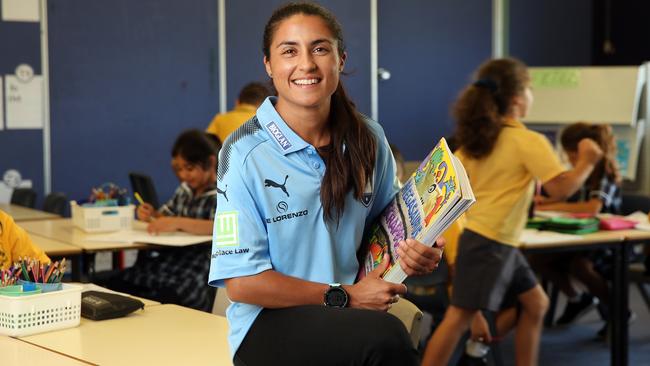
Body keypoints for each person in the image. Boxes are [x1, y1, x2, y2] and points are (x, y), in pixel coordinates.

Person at [208, 3, 444, 365]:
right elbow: (242, 284)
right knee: (384, 339)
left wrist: (419, 248)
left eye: (320, 49)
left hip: (347, 313)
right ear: (269, 66)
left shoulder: (369, 138)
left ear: (340, 59)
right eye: (289, 51)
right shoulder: (242, 153)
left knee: (381, 336)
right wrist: (346, 296)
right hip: (268, 323)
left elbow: (388, 229)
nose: (306, 64)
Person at [422, 58, 604, 366]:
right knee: (458, 319)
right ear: (519, 99)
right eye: (530, 89)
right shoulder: (528, 141)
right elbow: (561, 189)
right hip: (488, 243)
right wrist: (587, 161)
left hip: (491, 241)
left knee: (536, 303)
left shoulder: (477, 142)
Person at [107, 129, 218, 311]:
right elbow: (164, 216)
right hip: (171, 259)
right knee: (121, 280)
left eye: (189, 169)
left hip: (197, 267)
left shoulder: (222, 192)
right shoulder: (184, 190)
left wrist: (177, 221)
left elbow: (217, 226)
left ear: (210, 163)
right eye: (179, 170)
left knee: (169, 293)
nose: (183, 175)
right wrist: (151, 215)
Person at [530, 122, 622, 336]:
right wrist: (547, 199)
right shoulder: (582, 176)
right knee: (540, 260)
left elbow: (592, 207)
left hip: (607, 244)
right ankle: (578, 298)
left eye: (571, 154)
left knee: (581, 266)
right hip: (581, 241)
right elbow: (567, 199)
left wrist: (550, 204)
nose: (570, 160)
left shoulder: (604, 174)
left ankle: (619, 312)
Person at [205, 82, 272, 144]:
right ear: (265, 105)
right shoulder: (267, 123)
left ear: (237, 102)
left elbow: (205, 144)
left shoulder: (220, 119)